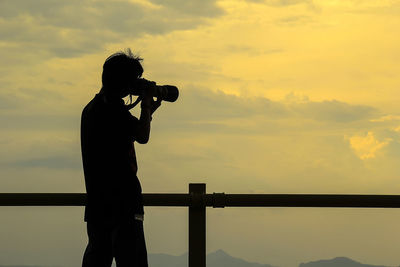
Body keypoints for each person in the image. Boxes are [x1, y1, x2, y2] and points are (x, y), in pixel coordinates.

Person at [81, 49, 161, 267]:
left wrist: (147, 113)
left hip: (98, 206)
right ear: (123, 83)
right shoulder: (114, 111)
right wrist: (145, 105)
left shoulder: (91, 109)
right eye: (132, 81)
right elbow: (142, 136)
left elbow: (122, 134)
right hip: (124, 205)